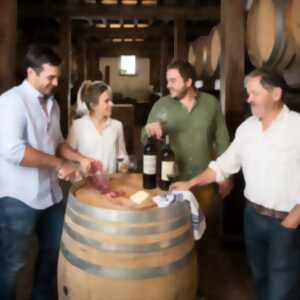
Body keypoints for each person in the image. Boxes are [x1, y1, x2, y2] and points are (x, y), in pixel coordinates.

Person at [171, 68, 300, 300]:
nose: (248, 99)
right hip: (252, 218)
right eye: (247, 93)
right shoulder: (247, 128)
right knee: (260, 279)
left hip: (286, 221)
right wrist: (191, 182)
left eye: (254, 93)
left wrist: (295, 217)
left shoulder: (297, 127)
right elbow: (223, 165)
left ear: (276, 93)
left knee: (283, 288)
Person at [0, 44, 92, 300]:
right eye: (50, 77)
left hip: (50, 196)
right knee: (12, 265)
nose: (55, 82)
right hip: (17, 199)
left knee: (53, 253)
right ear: (31, 72)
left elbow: (58, 142)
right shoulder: (11, 102)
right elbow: (13, 151)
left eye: (57, 77)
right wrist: (59, 164)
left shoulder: (53, 104)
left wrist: (81, 158)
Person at [142, 59, 232, 213]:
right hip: (172, 183)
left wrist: (227, 176)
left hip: (205, 181)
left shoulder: (211, 104)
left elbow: (222, 140)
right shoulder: (161, 105)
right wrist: (149, 131)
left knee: (207, 231)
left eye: (173, 80)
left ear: (189, 82)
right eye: (167, 80)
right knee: (175, 231)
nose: (168, 85)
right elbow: (144, 140)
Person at [67, 80, 129, 175]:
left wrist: (124, 164)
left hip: (110, 183)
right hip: (85, 184)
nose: (112, 104)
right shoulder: (77, 126)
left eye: (111, 100)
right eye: (106, 101)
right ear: (93, 105)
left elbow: (122, 155)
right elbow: (69, 157)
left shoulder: (117, 126)